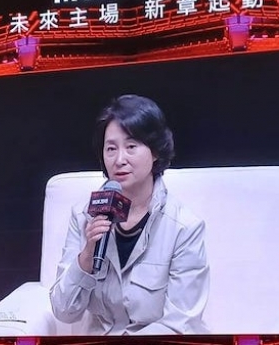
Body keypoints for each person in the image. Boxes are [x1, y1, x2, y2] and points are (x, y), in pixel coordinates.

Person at [49, 94, 210, 335]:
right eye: (111, 149)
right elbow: (64, 311)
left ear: (155, 152)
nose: (119, 160)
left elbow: (180, 323)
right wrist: (87, 256)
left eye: (131, 146)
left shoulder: (184, 227)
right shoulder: (84, 216)